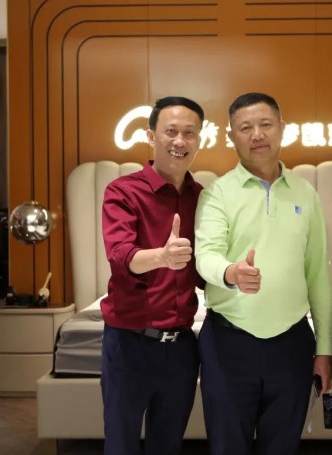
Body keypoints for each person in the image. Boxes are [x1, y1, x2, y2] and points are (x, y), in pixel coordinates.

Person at [194, 92, 332, 455]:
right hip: (228, 342)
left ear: (282, 128)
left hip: (292, 342)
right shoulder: (217, 193)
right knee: (227, 446)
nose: (257, 134)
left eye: (265, 124)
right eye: (245, 128)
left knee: (283, 446)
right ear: (231, 137)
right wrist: (231, 273)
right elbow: (205, 255)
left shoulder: (306, 193)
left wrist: (324, 350)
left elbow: (318, 277)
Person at [100, 96, 205, 455]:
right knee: (121, 444)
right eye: (170, 131)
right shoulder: (122, 191)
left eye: (189, 133)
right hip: (130, 342)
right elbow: (120, 256)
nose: (180, 141)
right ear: (150, 135)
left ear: (199, 140)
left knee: (169, 445)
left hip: (182, 347)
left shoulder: (202, 198)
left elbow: (206, 269)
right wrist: (162, 256)